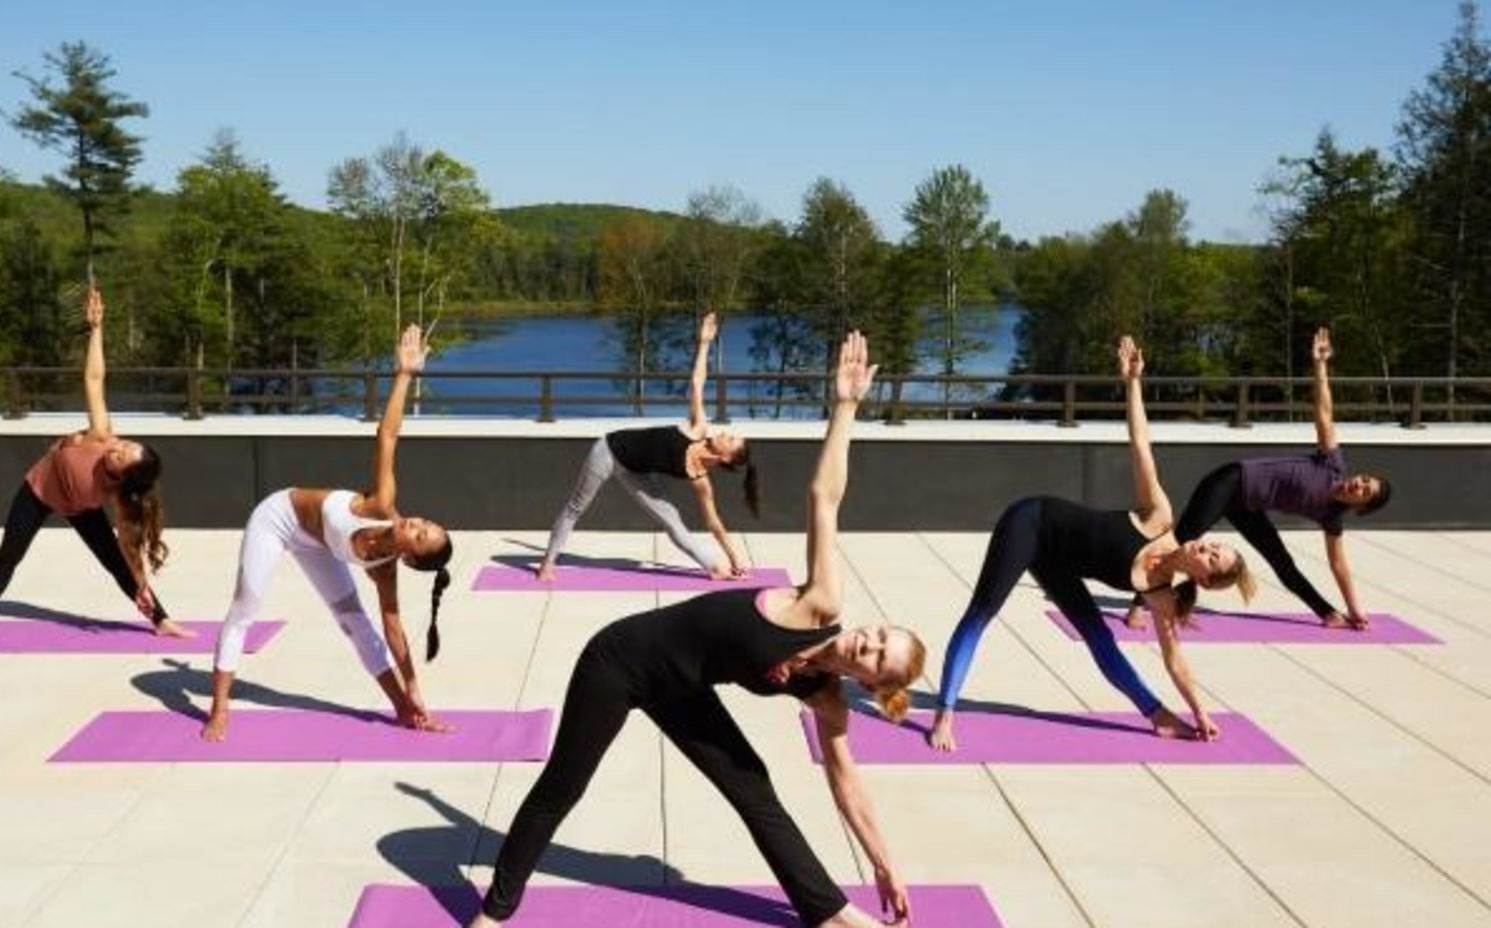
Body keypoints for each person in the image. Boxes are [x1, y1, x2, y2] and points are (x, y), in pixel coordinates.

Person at [473, 332, 925, 928]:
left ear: (870, 681)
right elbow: (824, 498)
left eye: (877, 657)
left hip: (680, 688)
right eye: (878, 634)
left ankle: (831, 915)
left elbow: (849, 790)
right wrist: (845, 409)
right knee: (563, 788)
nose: (866, 643)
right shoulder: (821, 602)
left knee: (754, 790)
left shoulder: (828, 700)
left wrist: (885, 865)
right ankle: (494, 915)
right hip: (620, 661)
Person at [927, 336, 1258, 753]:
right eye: (1214, 546)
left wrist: (1200, 712)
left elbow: (1176, 661)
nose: (1205, 549)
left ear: (1204, 582)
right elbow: (1141, 447)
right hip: (1031, 522)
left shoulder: (1160, 596)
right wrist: (1132, 382)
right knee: (982, 613)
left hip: (1058, 567)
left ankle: (1157, 715)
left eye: (1211, 559)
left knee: (1100, 639)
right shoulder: (1158, 517)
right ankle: (945, 711)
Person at [201, 323, 454, 741]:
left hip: (319, 546)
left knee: (357, 624)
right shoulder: (381, 504)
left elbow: (394, 630)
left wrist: (412, 689)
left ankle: (402, 710)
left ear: (410, 557)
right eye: (425, 522)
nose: (417, 523)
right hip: (277, 519)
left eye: (422, 535)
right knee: (246, 607)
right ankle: (219, 708)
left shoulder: (385, 570)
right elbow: (387, 435)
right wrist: (405, 375)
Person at [0, 284, 183, 644]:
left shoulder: (117, 493)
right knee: (9, 554)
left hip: (79, 506)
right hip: (40, 490)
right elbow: (94, 379)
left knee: (114, 563)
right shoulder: (101, 434)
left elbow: (128, 548)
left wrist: (143, 586)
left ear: (122, 476)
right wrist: (96, 329)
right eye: (125, 443)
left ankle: (161, 620)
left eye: (121, 455)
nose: (117, 446)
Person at [1122, 326, 1391, 631]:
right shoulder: (1332, 463)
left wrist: (1355, 609)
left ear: (1361, 506)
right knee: (1179, 543)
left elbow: (1339, 566)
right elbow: (1324, 413)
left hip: (1247, 505)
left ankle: (1328, 613)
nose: (1358, 483)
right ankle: (1138, 607)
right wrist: (1320, 365)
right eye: (1364, 479)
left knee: (1282, 561)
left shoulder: (1332, 517)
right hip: (1230, 482)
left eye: (1364, 491)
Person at [536, 312, 759, 581]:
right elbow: (697, 382)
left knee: (673, 522)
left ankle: (714, 568)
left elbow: (714, 522)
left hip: (635, 472)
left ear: (725, 458)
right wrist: (704, 344)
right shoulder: (698, 428)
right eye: (732, 434)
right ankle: (547, 563)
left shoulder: (701, 480)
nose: (726, 432)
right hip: (609, 450)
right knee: (576, 507)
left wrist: (735, 559)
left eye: (731, 439)